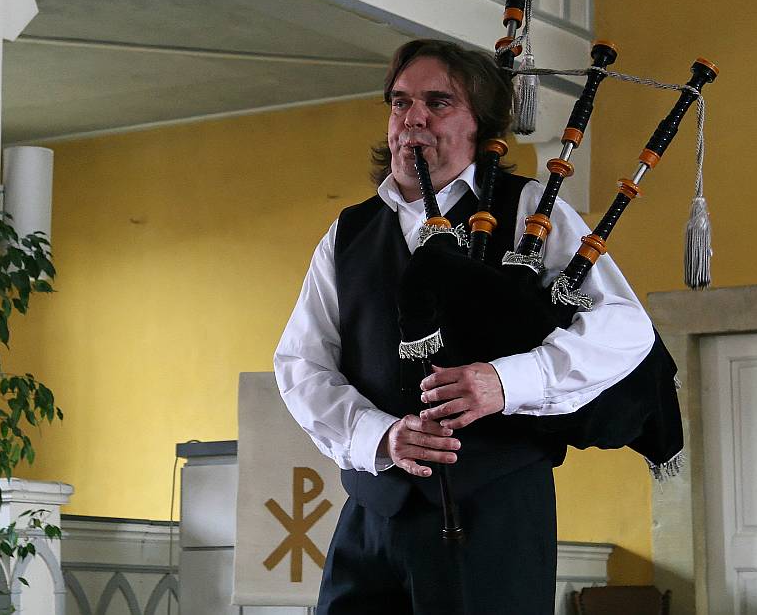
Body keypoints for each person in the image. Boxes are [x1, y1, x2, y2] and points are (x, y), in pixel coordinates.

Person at [274, 39, 655, 615]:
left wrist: (508, 382)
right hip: (373, 515)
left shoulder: (529, 208)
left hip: (493, 516)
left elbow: (624, 326)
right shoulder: (349, 232)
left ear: (481, 123)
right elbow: (302, 363)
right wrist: (379, 435)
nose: (413, 118)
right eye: (400, 102)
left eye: (438, 102)